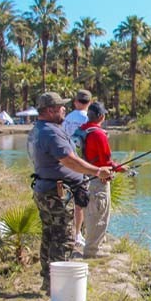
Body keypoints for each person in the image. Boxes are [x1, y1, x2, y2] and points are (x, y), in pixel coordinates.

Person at [28, 92, 112, 294]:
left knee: (49, 235)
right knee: (63, 239)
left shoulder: (37, 130)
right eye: (60, 107)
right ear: (50, 110)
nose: (64, 109)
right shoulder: (50, 132)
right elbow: (69, 160)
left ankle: (48, 281)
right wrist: (96, 171)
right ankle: (58, 289)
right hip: (55, 193)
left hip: (44, 189)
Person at [78, 101, 130, 258]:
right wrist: (119, 168)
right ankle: (93, 251)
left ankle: (94, 246)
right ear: (101, 116)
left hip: (83, 178)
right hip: (97, 181)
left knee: (90, 214)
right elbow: (105, 162)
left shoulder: (82, 130)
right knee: (99, 216)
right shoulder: (99, 134)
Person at [62, 89, 93, 248]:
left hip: (64, 161)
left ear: (75, 102)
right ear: (90, 102)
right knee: (80, 200)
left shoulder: (67, 117)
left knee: (65, 198)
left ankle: (67, 231)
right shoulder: (88, 118)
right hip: (81, 163)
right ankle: (77, 234)